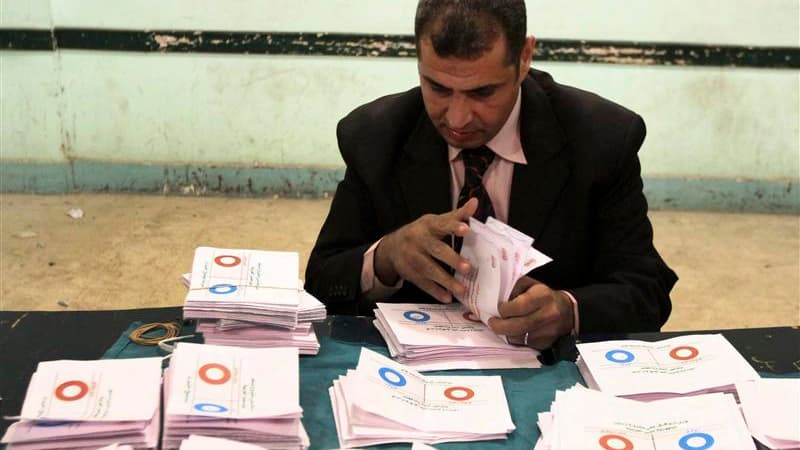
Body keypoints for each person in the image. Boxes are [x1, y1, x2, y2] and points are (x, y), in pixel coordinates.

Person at [305, 0, 677, 350]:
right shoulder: (375, 137)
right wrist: (387, 256)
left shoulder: (601, 141)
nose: (457, 118)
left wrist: (565, 311)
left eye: (483, 92)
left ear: (525, 58)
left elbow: (646, 292)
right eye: (437, 88)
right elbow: (321, 282)